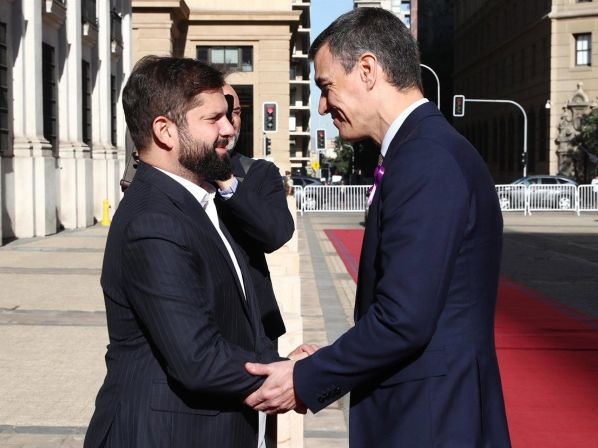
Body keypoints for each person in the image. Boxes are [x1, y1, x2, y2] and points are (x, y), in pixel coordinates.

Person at [244, 8, 511, 447]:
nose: (323, 106)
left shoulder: (425, 159)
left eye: (326, 87)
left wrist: (305, 378)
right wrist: (329, 359)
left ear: (367, 70)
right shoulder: (424, 150)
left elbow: (404, 319)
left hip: (430, 422)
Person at [84, 56, 282, 448]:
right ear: (165, 131)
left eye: (228, 115)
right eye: (213, 119)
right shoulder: (153, 221)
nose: (229, 129)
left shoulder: (197, 202)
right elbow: (198, 359)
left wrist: (280, 363)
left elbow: (237, 323)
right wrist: (291, 377)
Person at [215, 84, 294, 343]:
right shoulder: (183, 175)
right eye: (218, 112)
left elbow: (276, 234)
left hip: (256, 328)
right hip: (203, 325)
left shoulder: (260, 173)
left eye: (236, 112)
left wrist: (227, 182)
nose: (231, 120)